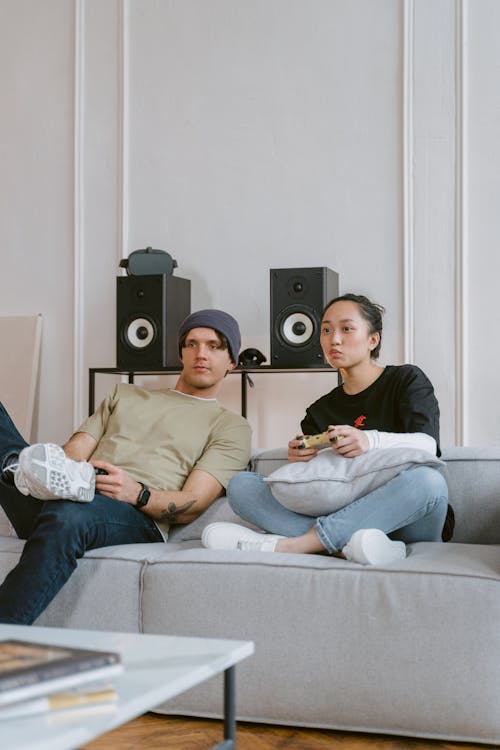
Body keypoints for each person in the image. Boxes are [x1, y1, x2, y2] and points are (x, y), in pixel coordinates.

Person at [0, 309, 251, 624]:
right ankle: (18, 470)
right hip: (71, 488)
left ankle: (4, 630)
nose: (201, 353)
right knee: (49, 482)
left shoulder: (231, 426)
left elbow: (193, 502)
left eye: (215, 346)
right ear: (181, 353)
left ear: (232, 361)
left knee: (69, 513)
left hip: (132, 515)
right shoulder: (125, 394)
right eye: (192, 344)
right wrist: (61, 467)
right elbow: (76, 449)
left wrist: (137, 493)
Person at [202, 293, 452, 565]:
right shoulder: (319, 411)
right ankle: (351, 548)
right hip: (343, 512)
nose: (334, 339)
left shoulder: (406, 380)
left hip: (407, 515)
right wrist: (302, 458)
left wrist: (370, 440)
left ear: (373, 340)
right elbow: (322, 482)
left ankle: (299, 545)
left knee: (429, 481)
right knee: (241, 486)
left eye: (346, 329)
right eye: (326, 330)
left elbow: (428, 447)